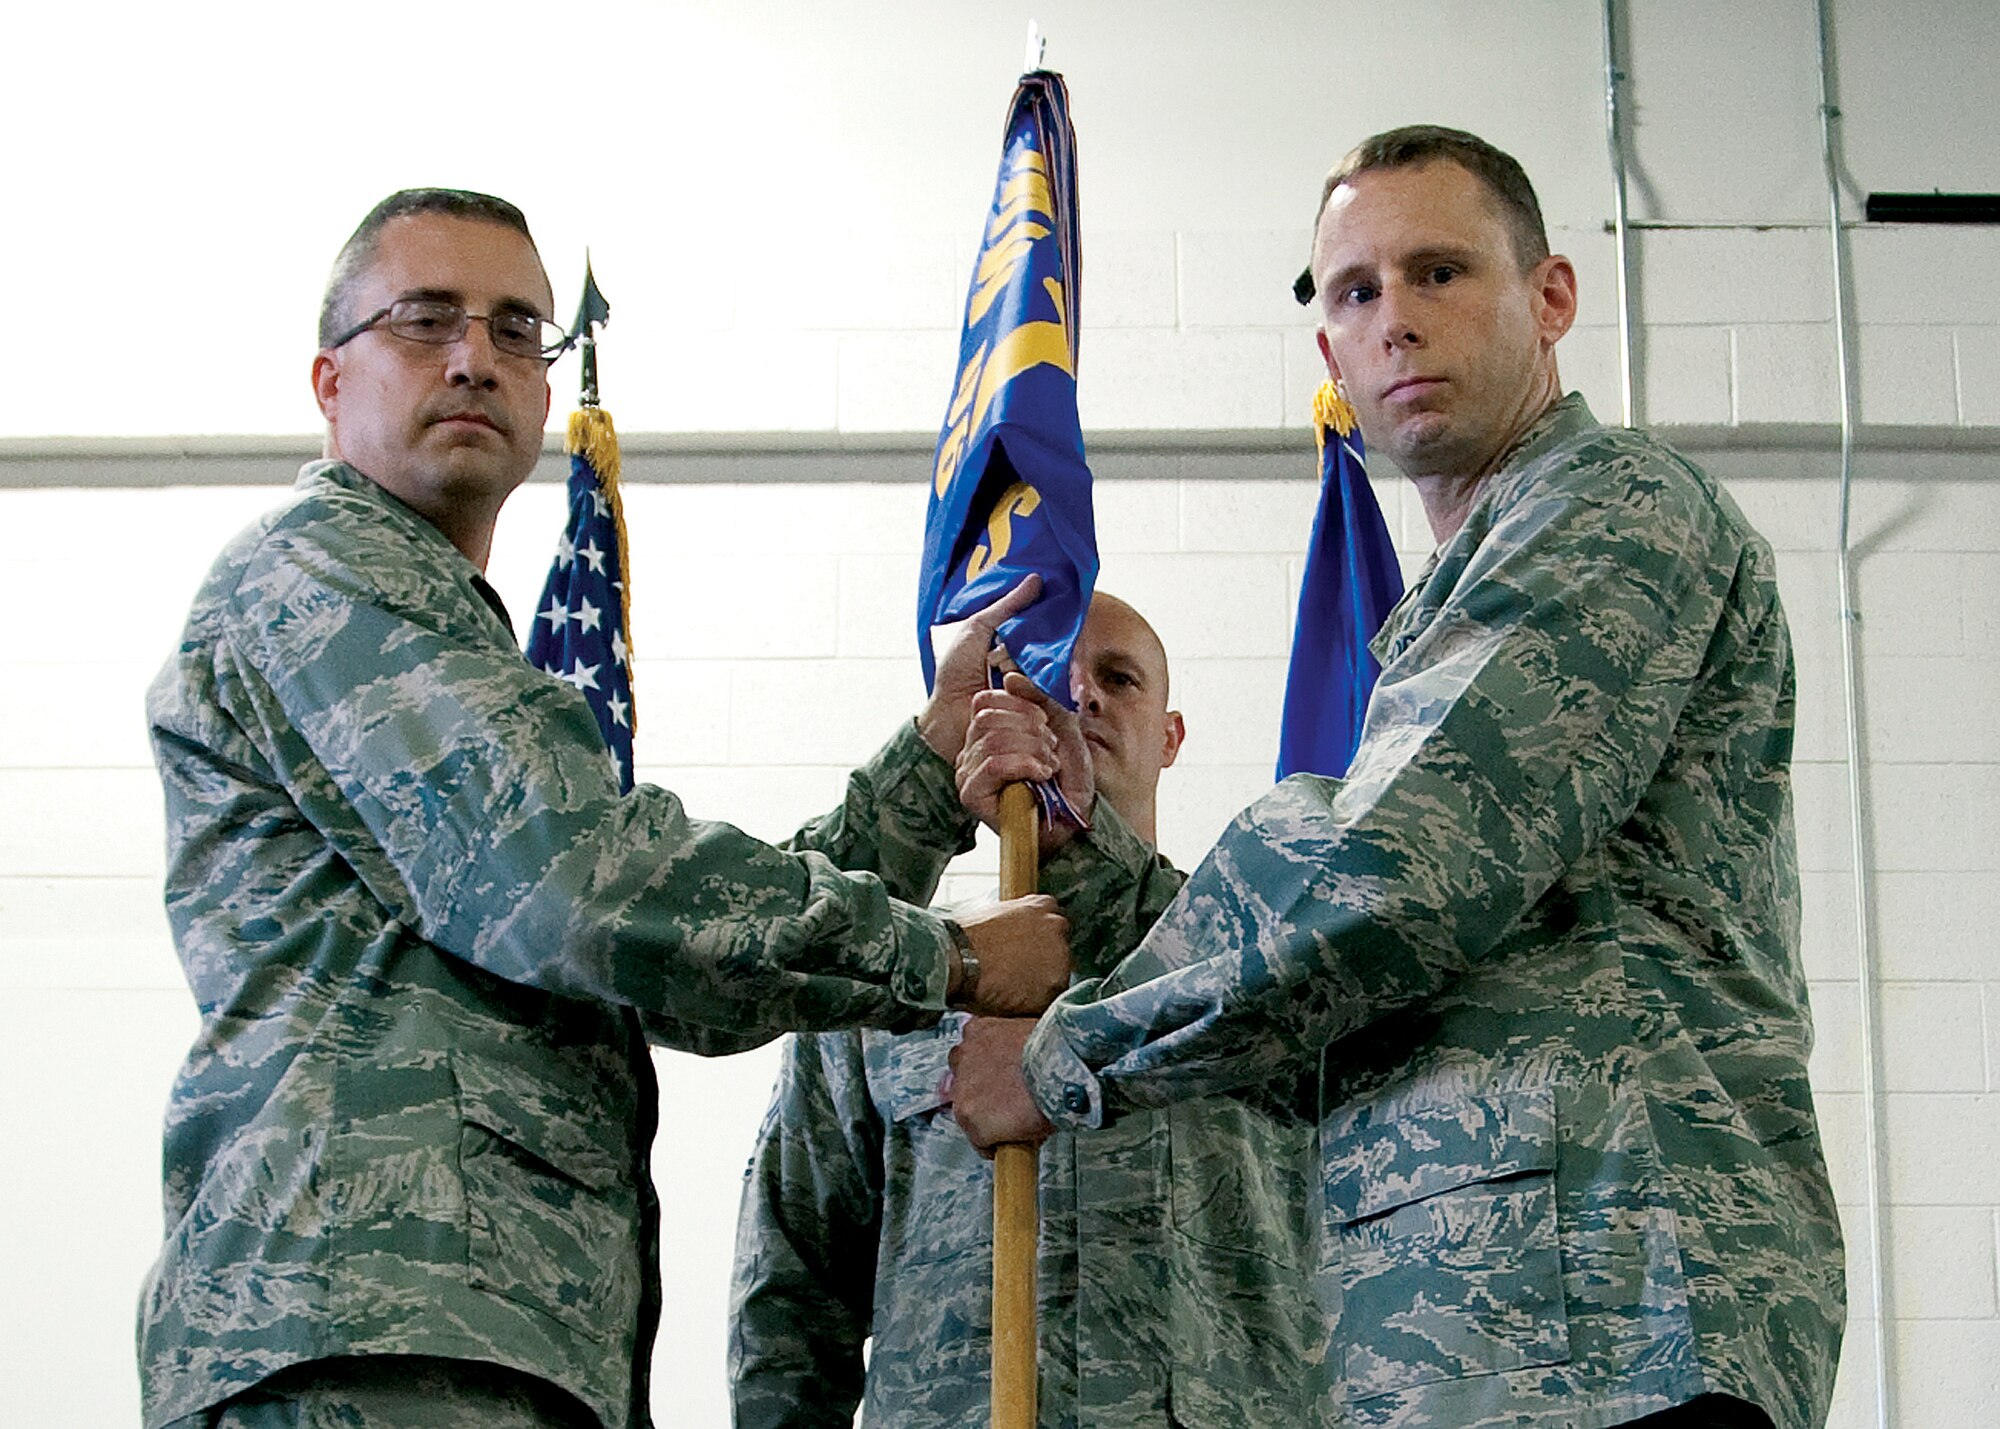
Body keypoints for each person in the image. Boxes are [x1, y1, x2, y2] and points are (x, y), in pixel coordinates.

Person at [948, 127, 1845, 1429]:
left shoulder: (1612, 514)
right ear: (1329, 352)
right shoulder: (1447, 608)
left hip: (1605, 1319)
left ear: (1551, 298)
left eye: (1440, 273)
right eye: (1356, 293)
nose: (1397, 322)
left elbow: (1399, 866)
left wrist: (1068, 1046)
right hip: (1468, 1337)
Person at [139, 187, 1071, 1429]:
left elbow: (645, 966)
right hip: (366, 1338)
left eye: (517, 329)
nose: (475, 356)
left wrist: (927, 765)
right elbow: (578, 884)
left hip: (474, 1338)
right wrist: (946, 956)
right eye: (424, 321)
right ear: (328, 379)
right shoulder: (317, 573)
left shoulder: (448, 643)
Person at [728, 594, 1322, 1427]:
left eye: (1119, 678)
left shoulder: (1263, 957)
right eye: (1045, 671)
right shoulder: (897, 980)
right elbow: (792, 1289)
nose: (1080, 697)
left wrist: (1085, 845)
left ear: (1173, 734)